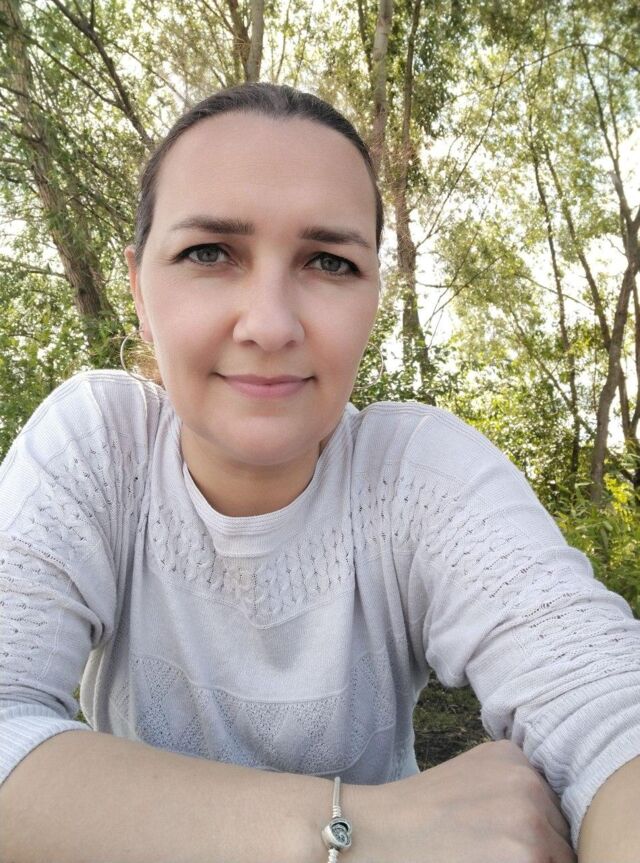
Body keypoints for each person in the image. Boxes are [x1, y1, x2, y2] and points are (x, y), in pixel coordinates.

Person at [0, 82, 638, 863]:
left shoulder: (416, 475)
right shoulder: (99, 447)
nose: (270, 324)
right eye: (209, 253)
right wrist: (355, 829)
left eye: (330, 262)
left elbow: (611, 717)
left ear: (373, 298)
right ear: (139, 289)